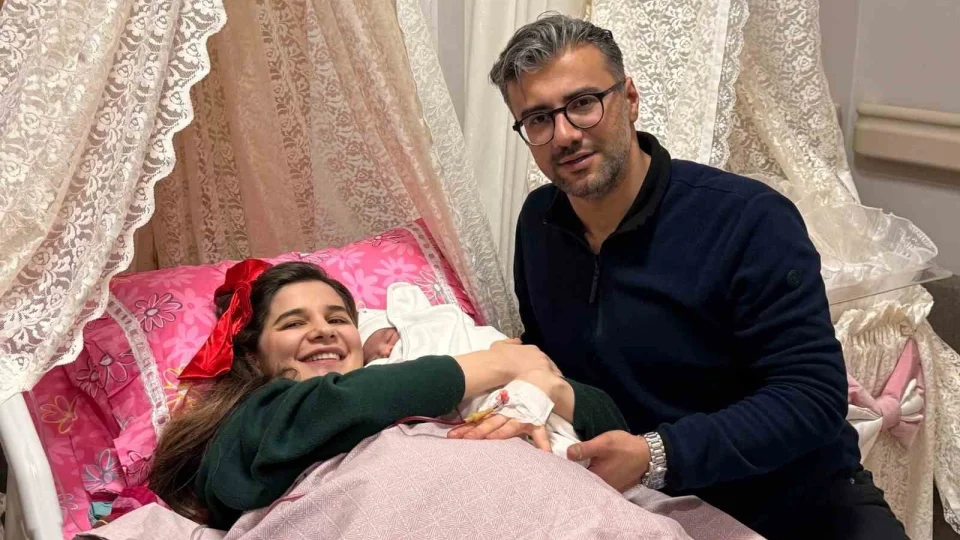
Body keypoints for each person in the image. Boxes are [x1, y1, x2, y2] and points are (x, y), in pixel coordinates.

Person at [460, 13, 907, 540]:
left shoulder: (748, 220)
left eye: (583, 103)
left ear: (629, 99)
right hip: (641, 506)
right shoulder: (539, 223)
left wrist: (658, 454)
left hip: (798, 501)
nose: (565, 135)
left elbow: (811, 397)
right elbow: (550, 352)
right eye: (538, 119)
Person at [147, 260, 626, 531]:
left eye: (337, 319)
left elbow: (612, 426)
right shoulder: (254, 420)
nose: (323, 331)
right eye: (293, 323)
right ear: (253, 356)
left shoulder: (412, 385)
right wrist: (502, 363)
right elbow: (343, 403)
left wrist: (547, 386)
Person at [359, 281, 586, 461]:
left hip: (538, 387)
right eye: (375, 356)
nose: (387, 350)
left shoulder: (442, 326)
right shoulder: (377, 387)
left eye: (389, 338)